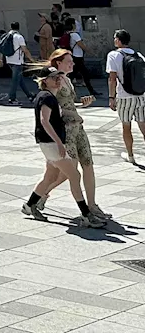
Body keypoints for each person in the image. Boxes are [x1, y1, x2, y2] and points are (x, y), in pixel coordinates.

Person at [28, 50, 111, 223]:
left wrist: (80, 104)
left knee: (87, 164)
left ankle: (92, 205)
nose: (72, 64)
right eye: (68, 61)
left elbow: (67, 105)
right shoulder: (54, 86)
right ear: (58, 63)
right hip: (66, 131)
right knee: (69, 173)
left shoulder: (65, 79)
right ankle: (41, 197)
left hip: (78, 127)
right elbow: (53, 111)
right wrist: (59, 140)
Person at [107, 29, 145, 165]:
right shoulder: (138, 55)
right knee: (143, 125)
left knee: (126, 126)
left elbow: (112, 78)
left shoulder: (113, 55)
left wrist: (111, 97)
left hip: (124, 97)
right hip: (140, 95)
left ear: (118, 40)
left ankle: (130, 155)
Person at [3, 22, 37, 104]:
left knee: (20, 79)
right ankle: (12, 98)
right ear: (19, 27)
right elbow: (25, 50)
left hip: (9, 59)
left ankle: (29, 95)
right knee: (15, 80)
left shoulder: (6, 36)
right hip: (17, 61)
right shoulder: (19, 37)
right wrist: (32, 60)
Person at [66, 22, 96, 96]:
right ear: (73, 26)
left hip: (74, 56)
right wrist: (90, 52)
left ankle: (69, 91)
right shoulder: (75, 35)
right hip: (78, 57)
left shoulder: (69, 35)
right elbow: (81, 45)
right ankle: (91, 91)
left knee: (73, 75)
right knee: (84, 74)